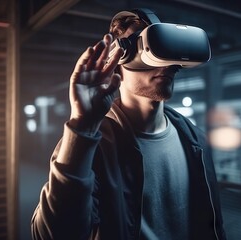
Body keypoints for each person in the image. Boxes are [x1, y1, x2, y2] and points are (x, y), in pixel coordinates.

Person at [31, 8, 226, 240]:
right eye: (146, 48)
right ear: (118, 58)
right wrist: (82, 127)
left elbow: (212, 226)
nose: (163, 62)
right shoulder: (89, 145)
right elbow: (51, 235)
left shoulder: (195, 140)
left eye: (163, 47)